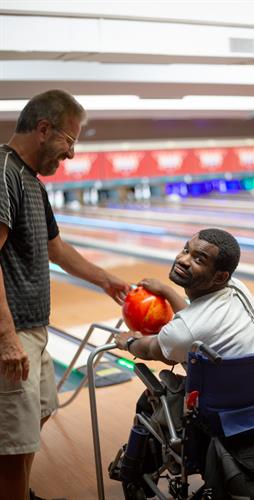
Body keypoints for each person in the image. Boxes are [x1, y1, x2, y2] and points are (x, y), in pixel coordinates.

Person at [0, 89, 130, 500]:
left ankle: (20, 489)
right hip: (13, 331)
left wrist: (106, 279)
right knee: (11, 444)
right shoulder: (3, 172)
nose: (71, 154)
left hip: (34, 330)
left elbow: (56, 248)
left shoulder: (31, 183)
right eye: (69, 141)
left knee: (31, 426)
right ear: (43, 129)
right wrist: (5, 338)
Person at [115, 228, 254, 365]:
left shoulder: (183, 333)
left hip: (219, 394)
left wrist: (129, 342)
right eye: (186, 250)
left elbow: (150, 350)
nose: (183, 260)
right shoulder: (238, 288)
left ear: (220, 277)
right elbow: (196, 319)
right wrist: (165, 290)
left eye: (199, 259)